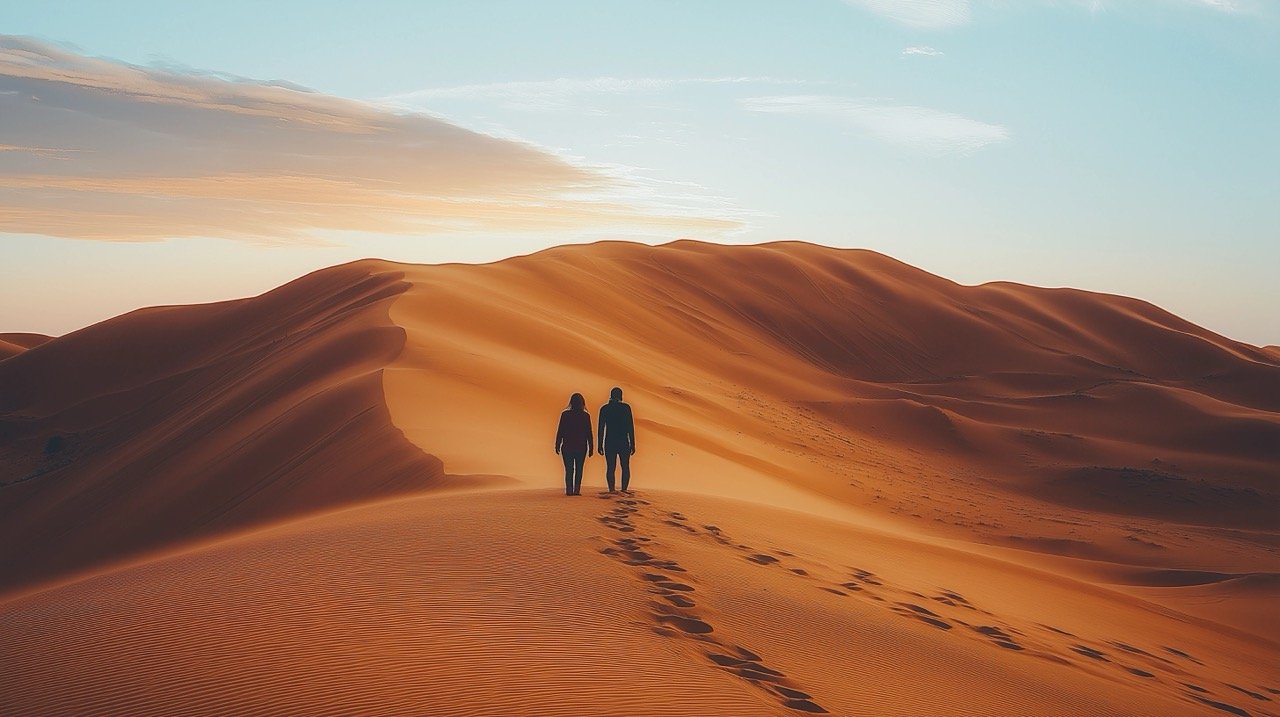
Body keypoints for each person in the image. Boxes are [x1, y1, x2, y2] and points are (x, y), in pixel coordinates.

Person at [597, 386, 636, 493]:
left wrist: (599, 444)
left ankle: (612, 490)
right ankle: (624, 489)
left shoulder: (605, 409)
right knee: (625, 466)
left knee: (610, 467)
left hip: (610, 441)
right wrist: (633, 443)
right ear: (620, 396)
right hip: (623, 441)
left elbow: (601, 428)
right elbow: (630, 427)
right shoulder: (625, 408)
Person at [554, 393, 593, 496]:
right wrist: (591, 447)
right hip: (581, 447)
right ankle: (576, 490)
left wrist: (557, 444)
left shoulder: (565, 415)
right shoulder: (585, 416)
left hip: (567, 447)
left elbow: (560, 430)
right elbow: (589, 433)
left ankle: (569, 490)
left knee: (569, 469)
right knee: (579, 469)